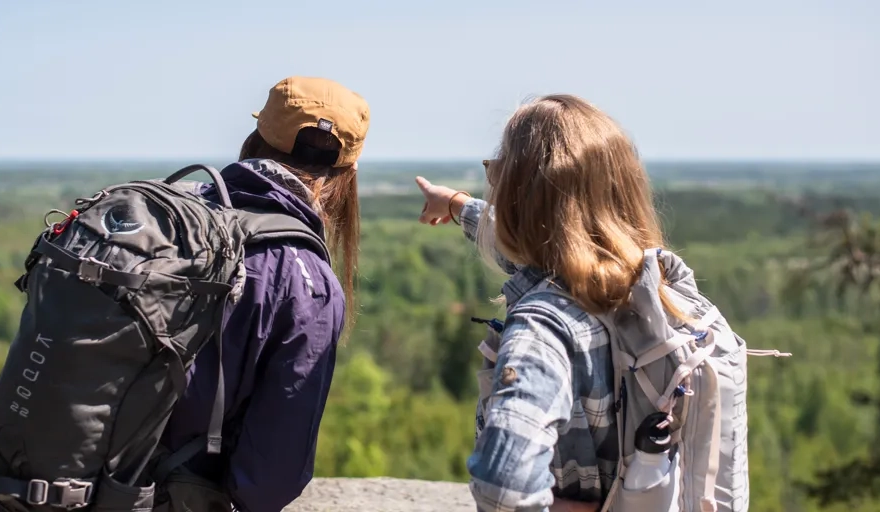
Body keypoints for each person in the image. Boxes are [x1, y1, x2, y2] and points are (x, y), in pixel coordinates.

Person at [415, 94, 677, 512]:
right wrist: (456, 204)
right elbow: (532, 249)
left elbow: (503, 491)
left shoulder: (545, 328)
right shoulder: (654, 283)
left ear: (524, 199)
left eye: (498, 171)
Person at [157, 76, 369, 512]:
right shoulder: (307, 279)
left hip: (57, 477)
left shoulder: (173, 212)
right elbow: (269, 479)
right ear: (346, 176)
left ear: (255, 140)